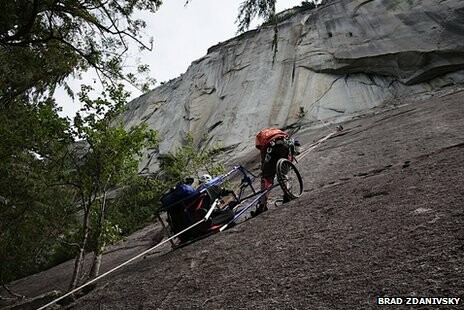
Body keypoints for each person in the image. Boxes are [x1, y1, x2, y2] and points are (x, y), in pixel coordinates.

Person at [251, 128, 300, 217]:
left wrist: (263, 169)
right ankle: (287, 195)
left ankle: (262, 205)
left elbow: (263, 153)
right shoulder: (278, 133)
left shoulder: (261, 137)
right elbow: (290, 152)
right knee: (283, 174)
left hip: (270, 148)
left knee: (267, 179)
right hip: (285, 146)